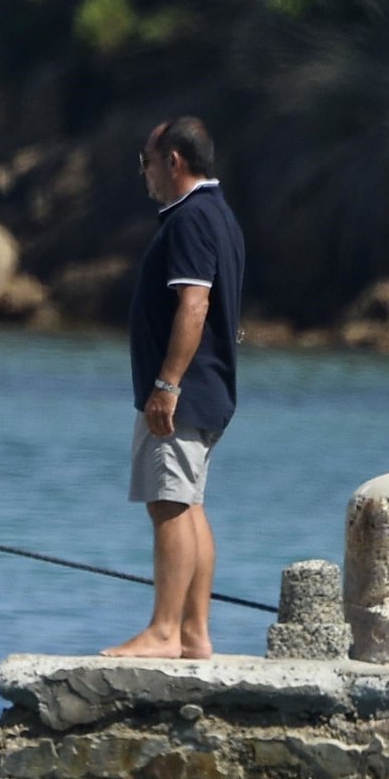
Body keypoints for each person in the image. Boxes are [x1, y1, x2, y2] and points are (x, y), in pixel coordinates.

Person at [104, 117, 246, 660]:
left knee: (169, 503)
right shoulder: (219, 214)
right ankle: (193, 634)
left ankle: (164, 631)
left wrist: (166, 385)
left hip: (184, 393)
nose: (144, 174)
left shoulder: (190, 218)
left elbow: (194, 304)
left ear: (173, 161)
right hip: (207, 390)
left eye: (146, 162)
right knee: (188, 506)